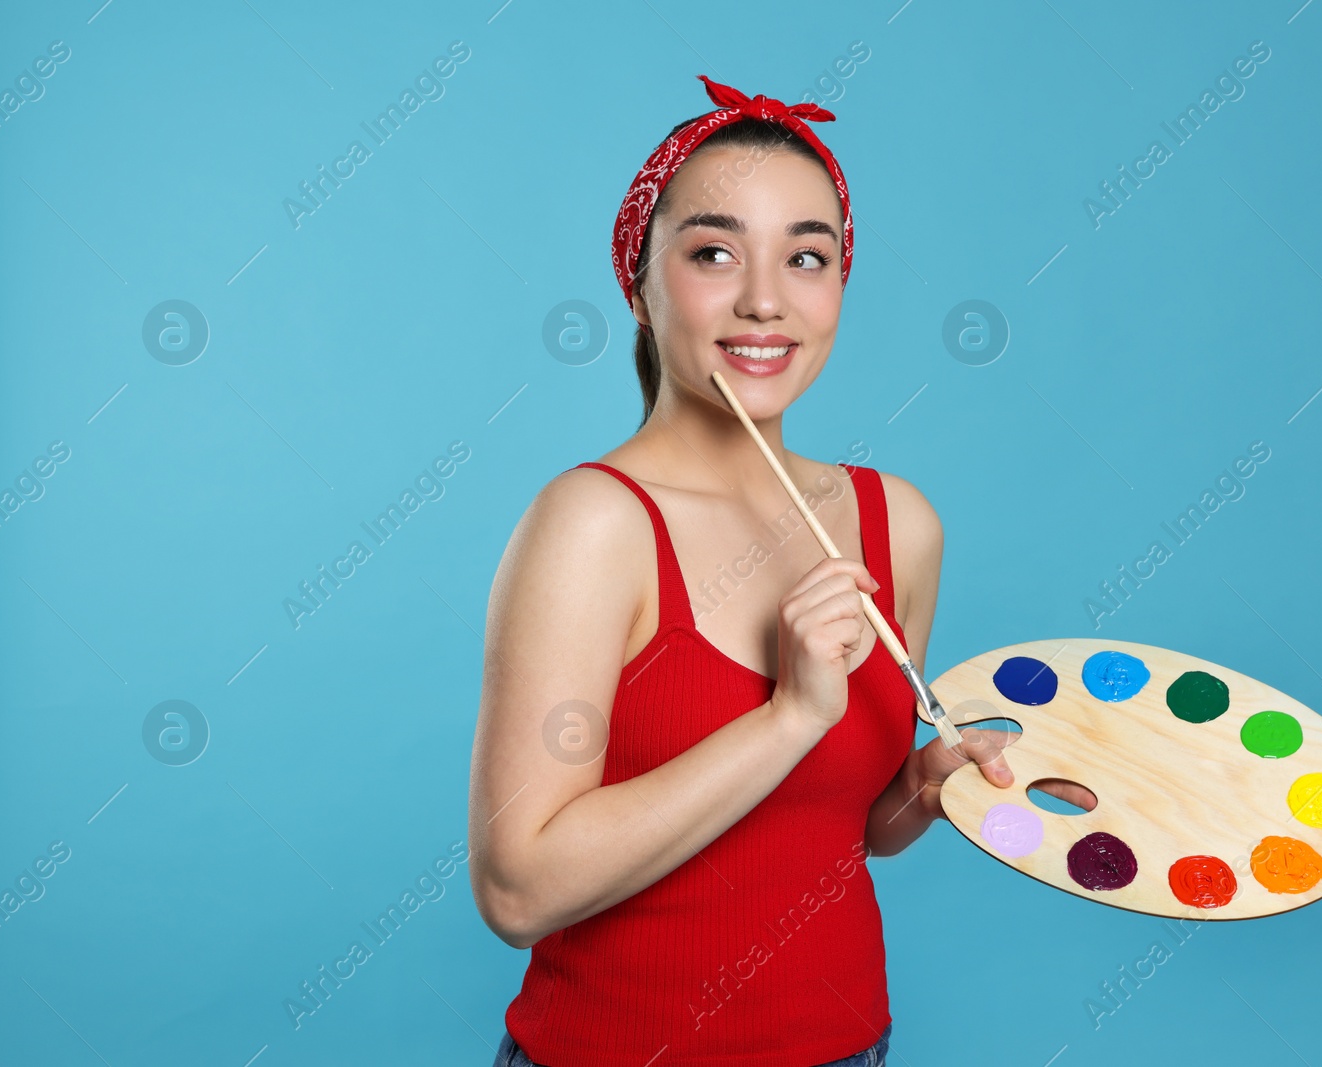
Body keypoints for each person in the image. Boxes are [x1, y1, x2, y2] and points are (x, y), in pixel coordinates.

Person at [467, 75, 1091, 1067]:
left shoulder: (898, 523)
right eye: (713, 252)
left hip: (849, 1045)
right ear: (637, 283)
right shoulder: (590, 525)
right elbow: (517, 889)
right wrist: (790, 713)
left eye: (807, 256)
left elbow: (854, 828)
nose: (765, 299)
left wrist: (923, 790)